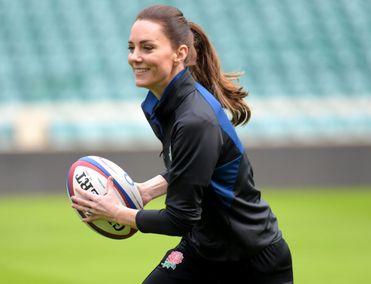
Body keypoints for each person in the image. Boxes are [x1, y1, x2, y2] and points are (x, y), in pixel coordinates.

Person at [71, 4, 293, 284]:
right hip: (204, 249)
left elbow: (180, 218)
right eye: (131, 48)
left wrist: (118, 213)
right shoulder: (165, 105)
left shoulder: (194, 119)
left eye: (147, 48)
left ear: (180, 54)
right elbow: (195, 168)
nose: (134, 58)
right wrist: (146, 189)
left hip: (251, 261)